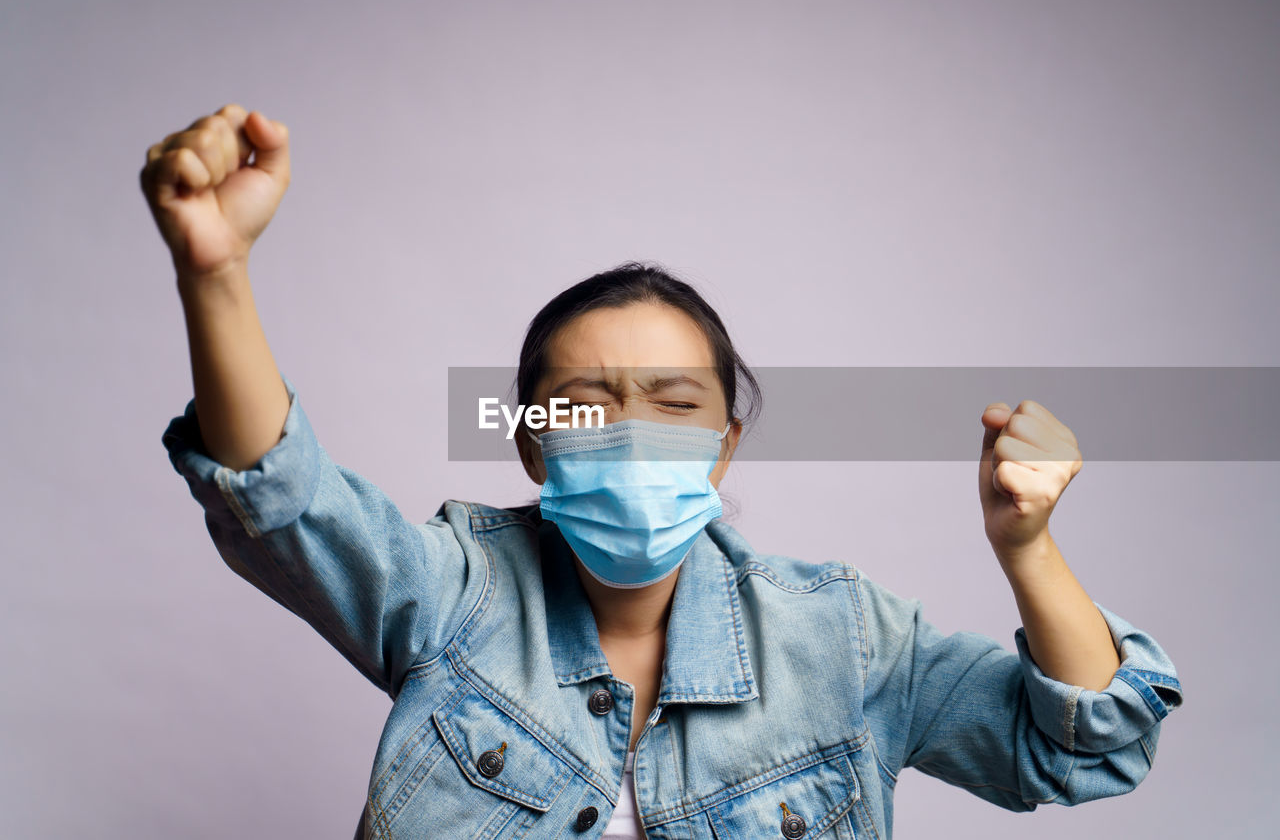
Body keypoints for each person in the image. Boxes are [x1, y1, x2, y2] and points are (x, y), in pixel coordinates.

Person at [142, 104, 1184, 840]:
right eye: (586, 405)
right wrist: (215, 271)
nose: (631, 434)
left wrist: (1026, 547)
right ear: (529, 440)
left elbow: (1081, 747)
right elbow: (282, 497)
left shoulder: (846, 639)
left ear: (724, 442)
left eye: (675, 404)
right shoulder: (451, 590)